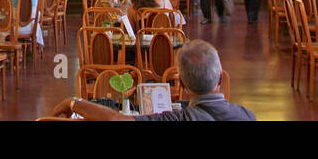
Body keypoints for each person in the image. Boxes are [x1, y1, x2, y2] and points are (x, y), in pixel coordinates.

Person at [69, 41, 255, 121]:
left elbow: (115, 119)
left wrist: (73, 103)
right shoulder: (247, 115)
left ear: (181, 84)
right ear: (220, 78)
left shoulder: (178, 118)